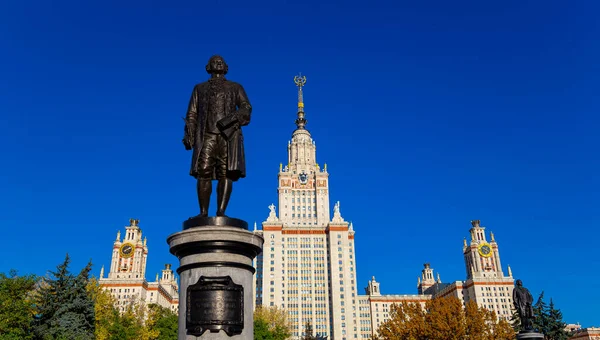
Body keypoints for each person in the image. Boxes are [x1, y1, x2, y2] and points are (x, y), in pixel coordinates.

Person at [183, 55, 252, 217]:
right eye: (214, 61)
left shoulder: (235, 87)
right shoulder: (199, 88)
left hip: (228, 136)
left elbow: (246, 107)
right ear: (208, 66)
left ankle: (221, 211)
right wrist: (189, 133)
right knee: (203, 171)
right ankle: (203, 212)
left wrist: (232, 119)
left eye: (221, 61)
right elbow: (192, 113)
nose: (218, 62)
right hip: (207, 135)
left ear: (226, 67)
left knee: (225, 172)